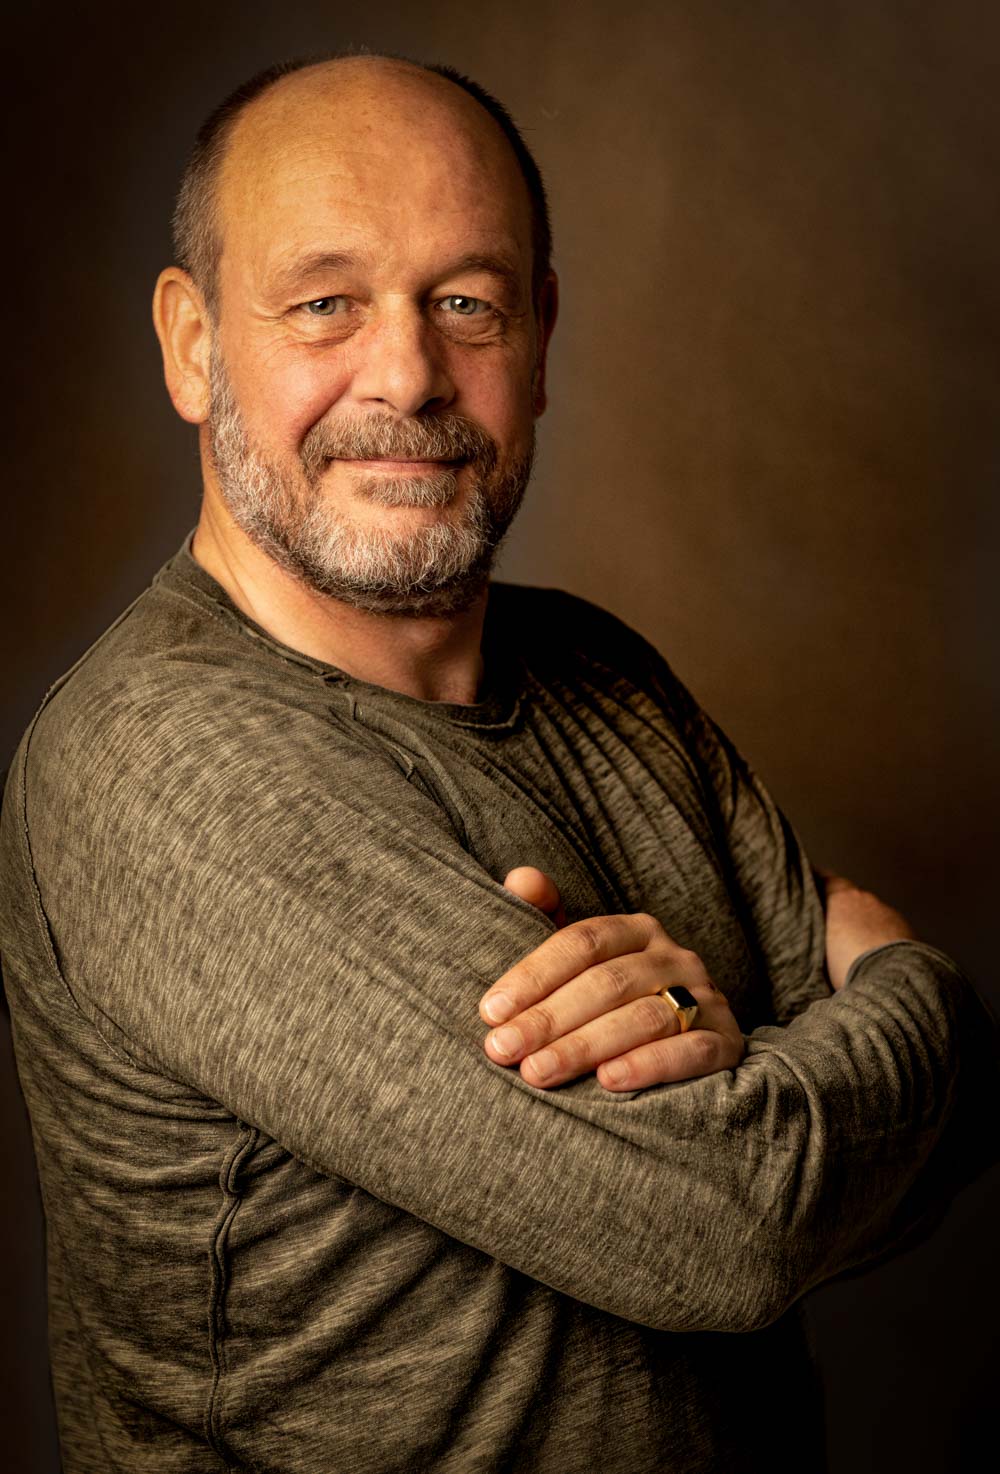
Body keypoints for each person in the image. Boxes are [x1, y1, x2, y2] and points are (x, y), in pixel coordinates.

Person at [0, 52, 995, 1474]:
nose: (408, 376)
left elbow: (935, 1147)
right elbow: (730, 1221)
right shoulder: (162, 763)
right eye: (326, 303)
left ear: (539, 338)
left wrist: (800, 1092)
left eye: (466, 302)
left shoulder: (604, 674)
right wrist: (917, 991)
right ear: (193, 343)